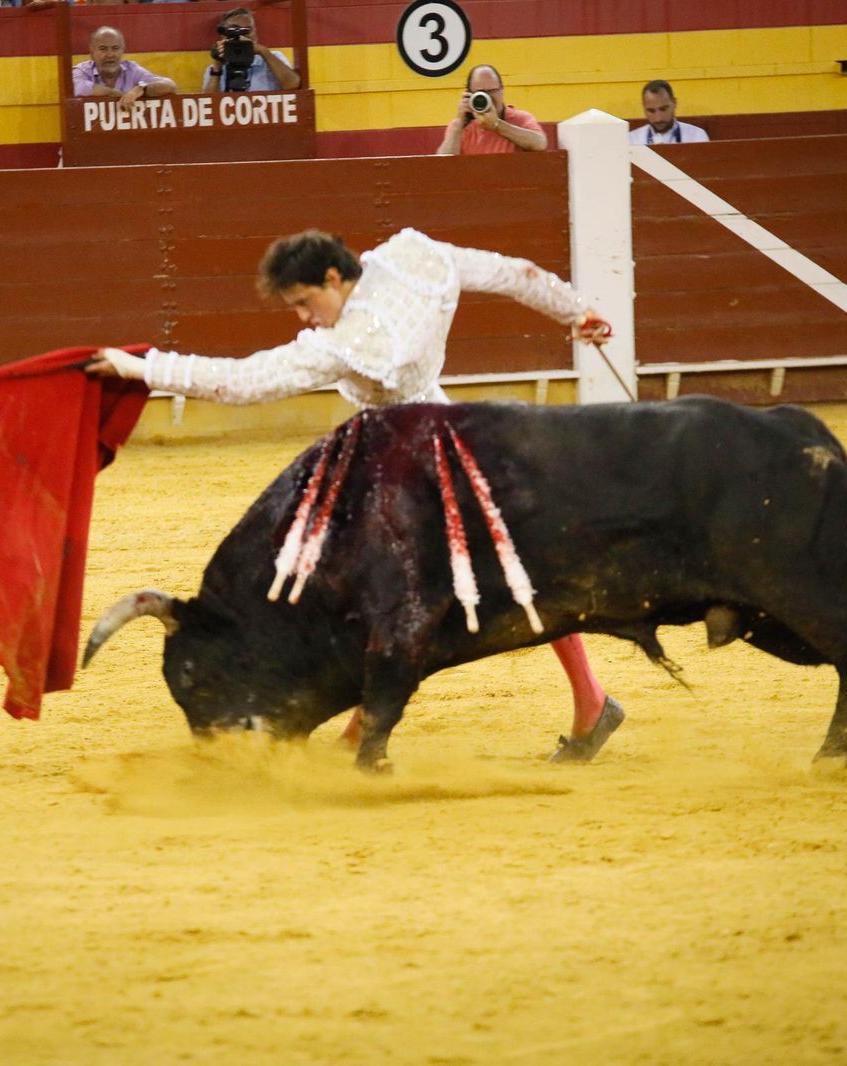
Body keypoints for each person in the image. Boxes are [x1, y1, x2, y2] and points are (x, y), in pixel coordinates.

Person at [86, 228, 627, 762]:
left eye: (304, 302)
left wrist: (145, 368)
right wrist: (576, 312)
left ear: (332, 277)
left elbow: (245, 382)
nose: (303, 317)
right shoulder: (409, 254)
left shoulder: (357, 339)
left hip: (411, 459)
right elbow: (513, 273)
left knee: (402, 592)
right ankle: (585, 702)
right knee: (505, 573)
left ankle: (366, 732)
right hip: (444, 439)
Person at [436, 64, 546, 155]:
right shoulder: (461, 126)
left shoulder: (520, 118)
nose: (488, 98)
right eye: (481, 92)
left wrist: (497, 125)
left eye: (492, 91)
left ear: (502, 90)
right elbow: (442, 164)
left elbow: (540, 143)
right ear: (469, 94)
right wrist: (458, 124)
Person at [201, 7, 300, 94]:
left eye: (247, 30)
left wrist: (264, 52)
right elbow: (208, 104)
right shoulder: (213, 68)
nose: (242, 35)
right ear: (223, 35)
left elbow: (292, 84)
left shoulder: (274, 58)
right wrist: (217, 68)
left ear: (255, 32)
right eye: (234, 30)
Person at [72, 26, 178, 108]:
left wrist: (140, 88)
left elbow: (170, 85)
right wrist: (117, 94)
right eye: (103, 49)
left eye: (115, 48)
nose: (110, 54)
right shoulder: (81, 71)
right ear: (92, 52)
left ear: (123, 50)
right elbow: (77, 87)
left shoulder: (132, 69)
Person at [628, 80, 708, 145]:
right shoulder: (632, 140)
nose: (658, 118)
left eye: (663, 109)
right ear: (644, 108)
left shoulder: (696, 136)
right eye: (651, 111)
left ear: (674, 103)